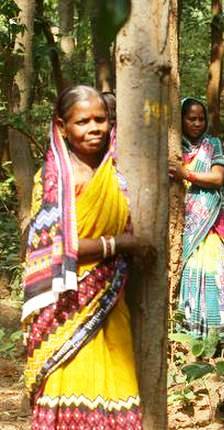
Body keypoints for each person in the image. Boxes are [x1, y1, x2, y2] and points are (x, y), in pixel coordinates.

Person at [22, 85, 144, 428]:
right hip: (67, 307)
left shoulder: (120, 172)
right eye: (82, 121)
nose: (94, 128)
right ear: (62, 126)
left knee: (114, 386)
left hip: (110, 302)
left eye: (100, 119)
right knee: (72, 386)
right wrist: (120, 244)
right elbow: (55, 246)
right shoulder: (53, 179)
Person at [169, 97, 224, 339]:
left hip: (214, 223)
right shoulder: (174, 147)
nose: (197, 123)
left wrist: (185, 173)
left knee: (217, 273)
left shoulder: (214, 145)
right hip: (186, 224)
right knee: (191, 274)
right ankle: (193, 334)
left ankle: (219, 333)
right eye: (191, 118)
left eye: (201, 119)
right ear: (181, 120)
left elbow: (218, 178)